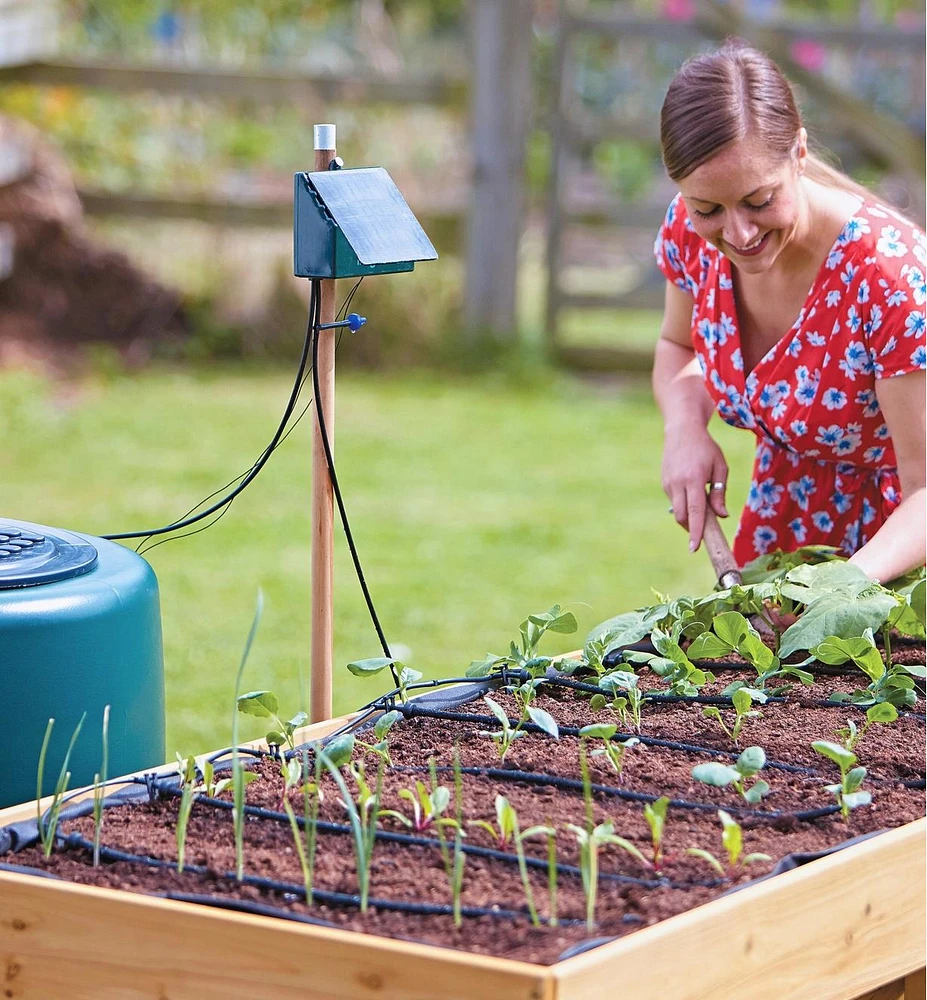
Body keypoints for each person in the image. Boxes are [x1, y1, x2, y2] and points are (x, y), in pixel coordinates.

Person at [652, 41, 925, 584]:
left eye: (759, 200)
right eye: (708, 208)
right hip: (783, 536)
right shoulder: (690, 233)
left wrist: (833, 591)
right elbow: (678, 345)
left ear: (799, 153)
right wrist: (684, 427)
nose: (738, 234)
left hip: (897, 559)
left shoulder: (890, 279)